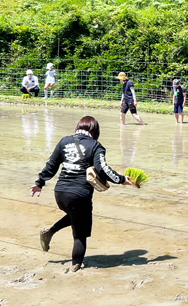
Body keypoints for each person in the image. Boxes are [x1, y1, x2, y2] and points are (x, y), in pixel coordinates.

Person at [31, 116, 134, 271]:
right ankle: (76, 267)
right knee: (80, 235)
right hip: (79, 195)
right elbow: (102, 169)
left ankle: (50, 232)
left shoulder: (64, 141)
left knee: (75, 216)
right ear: (95, 131)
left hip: (60, 194)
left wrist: (39, 183)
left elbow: (51, 164)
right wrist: (121, 179)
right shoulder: (96, 146)